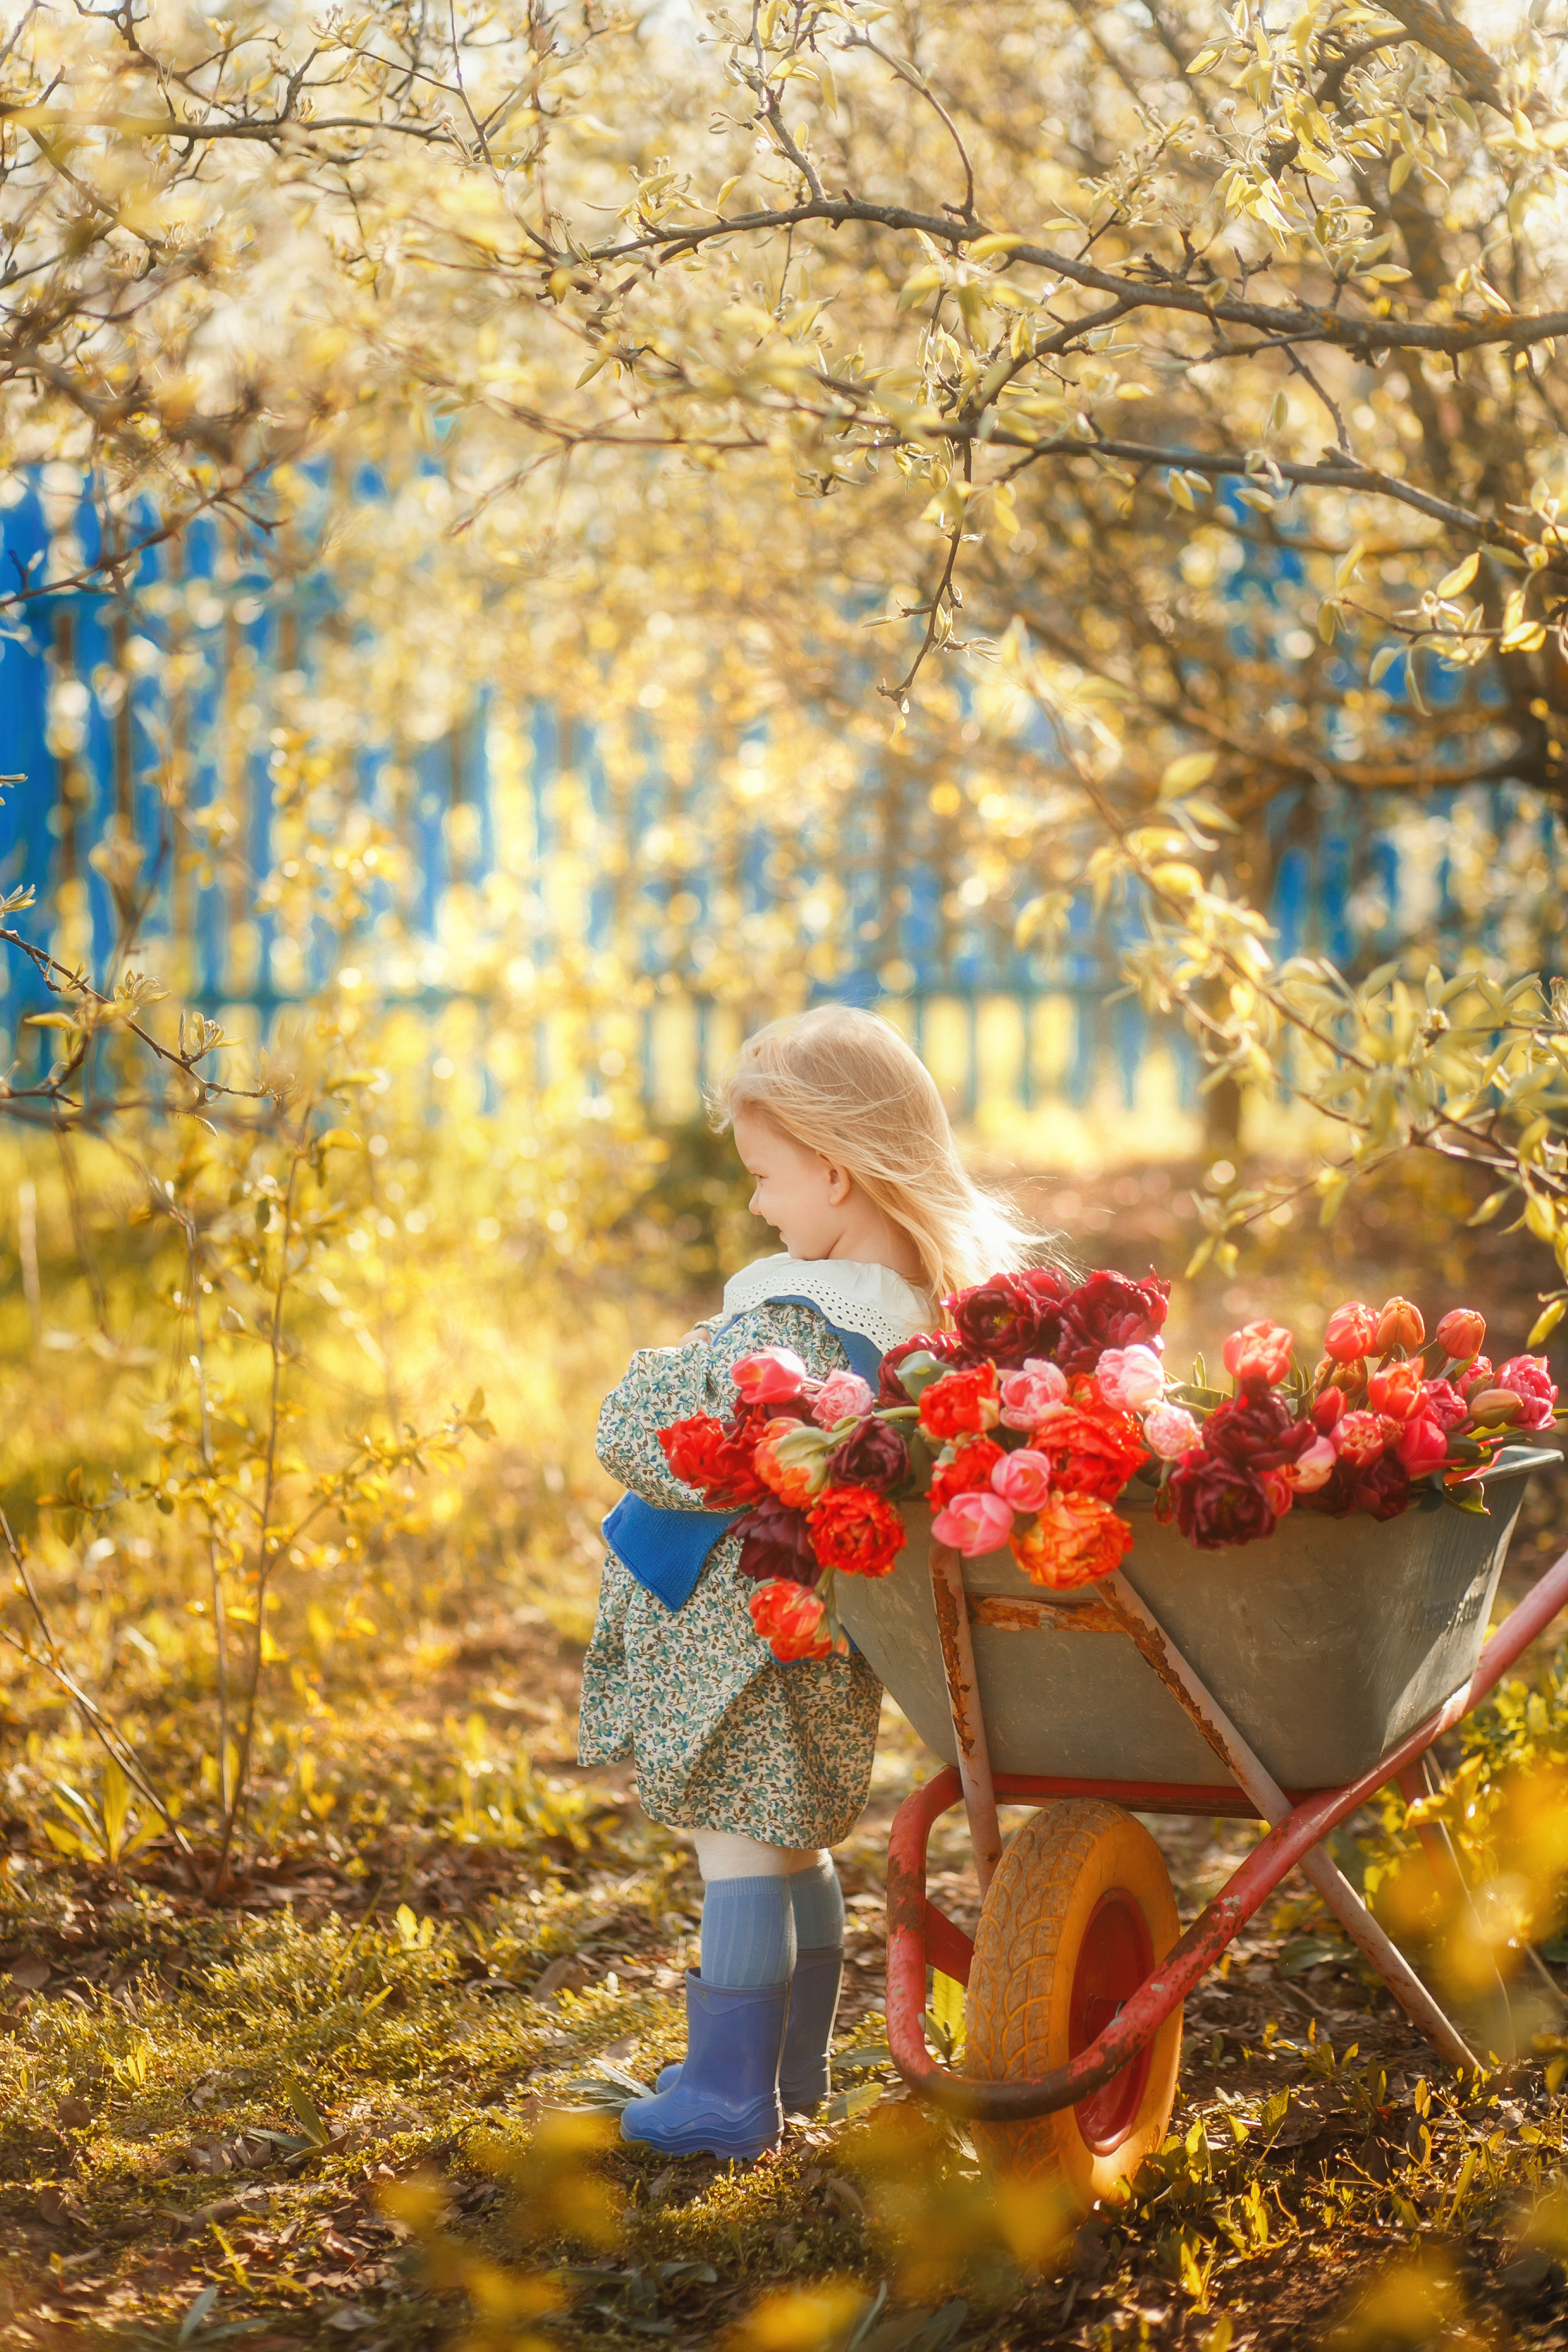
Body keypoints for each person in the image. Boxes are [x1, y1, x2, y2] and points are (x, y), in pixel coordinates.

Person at [578, 1003, 1040, 2160]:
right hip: (818, 1626)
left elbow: (649, 1436)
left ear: (833, 1172)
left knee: (739, 1844)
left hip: (729, 1626)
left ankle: (730, 2094)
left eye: (764, 1176)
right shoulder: (921, 1326)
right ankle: (790, 2073)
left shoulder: (793, 1322)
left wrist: (653, 1375)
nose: (756, 1206)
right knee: (790, 1840)